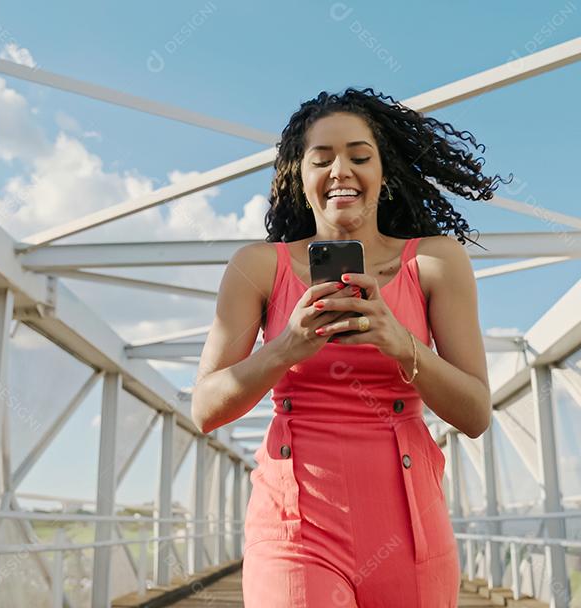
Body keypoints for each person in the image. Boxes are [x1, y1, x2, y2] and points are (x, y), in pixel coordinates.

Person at [191, 88, 502, 607]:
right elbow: (203, 409)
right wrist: (285, 348)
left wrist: (403, 346)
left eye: (359, 156)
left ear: (385, 171)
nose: (341, 171)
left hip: (410, 527)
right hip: (294, 525)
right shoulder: (257, 266)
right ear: (299, 174)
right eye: (322, 159)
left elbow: (475, 414)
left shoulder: (436, 262)